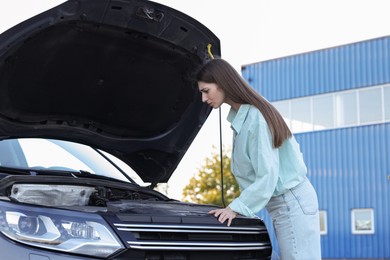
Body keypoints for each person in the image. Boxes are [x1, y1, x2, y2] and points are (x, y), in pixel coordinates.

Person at [196, 58, 321, 260]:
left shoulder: (255, 117)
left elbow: (267, 175)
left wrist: (234, 208)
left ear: (221, 83)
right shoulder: (242, 117)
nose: (203, 98)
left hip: (291, 200)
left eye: (205, 91)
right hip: (283, 202)